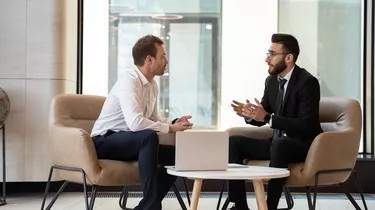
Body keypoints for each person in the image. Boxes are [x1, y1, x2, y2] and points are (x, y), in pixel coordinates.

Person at [90, 34, 193, 210]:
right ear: (149, 59)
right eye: (163, 56)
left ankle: (146, 206)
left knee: (178, 157)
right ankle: (152, 206)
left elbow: (153, 119)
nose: (166, 61)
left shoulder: (152, 85)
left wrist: (175, 122)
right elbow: (136, 124)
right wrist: (169, 128)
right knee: (149, 137)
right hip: (104, 140)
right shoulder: (129, 80)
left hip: (130, 141)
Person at [228, 33, 323, 210]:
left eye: (272, 54)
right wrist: (250, 115)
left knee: (280, 144)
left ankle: (269, 207)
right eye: (267, 53)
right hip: (277, 144)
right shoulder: (271, 81)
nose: (266, 59)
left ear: (288, 58)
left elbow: (306, 125)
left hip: (304, 145)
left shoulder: (307, 82)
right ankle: (239, 205)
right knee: (234, 142)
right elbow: (264, 114)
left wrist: (266, 117)